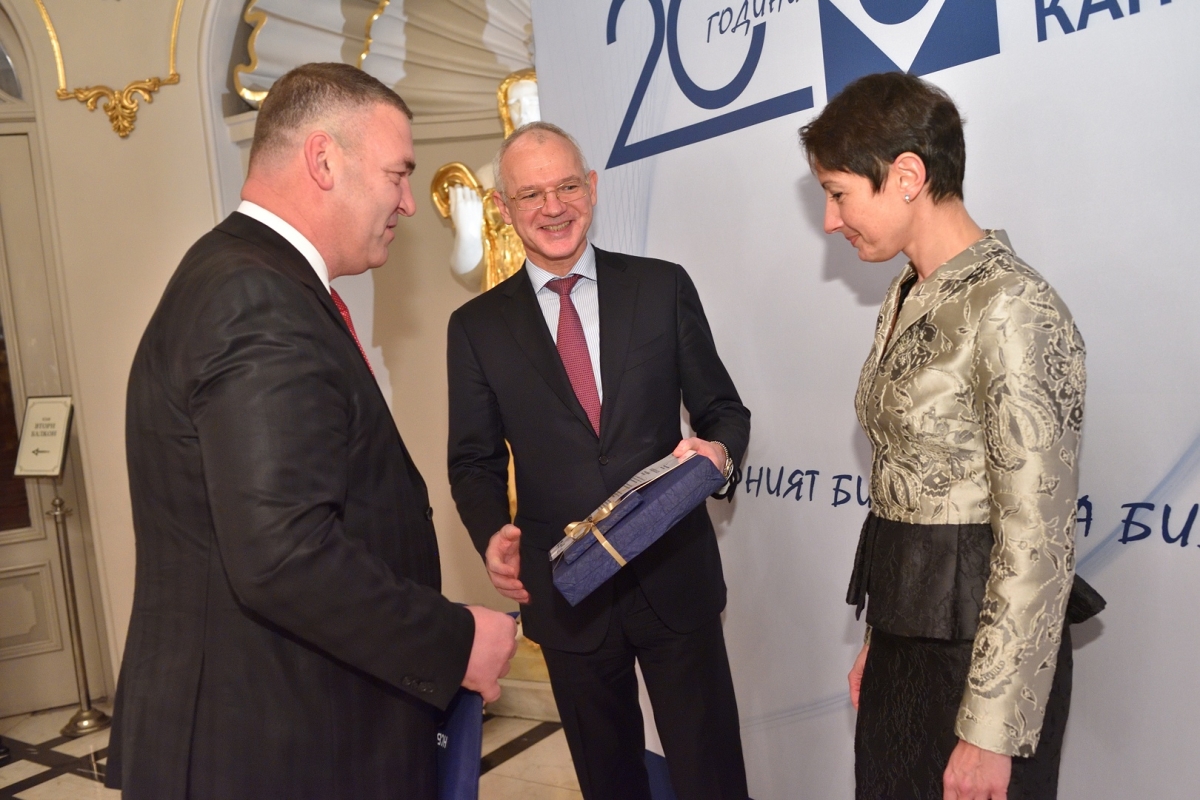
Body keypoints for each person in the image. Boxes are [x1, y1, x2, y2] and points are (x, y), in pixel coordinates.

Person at [105, 62, 517, 800]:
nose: (408, 202)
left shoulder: (245, 276)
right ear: (324, 160)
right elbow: (283, 555)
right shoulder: (254, 296)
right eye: (397, 174)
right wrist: (454, 641)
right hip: (274, 749)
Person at [800, 72, 1087, 800]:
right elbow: (909, 490)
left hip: (982, 669)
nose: (831, 221)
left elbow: (1037, 538)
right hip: (908, 639)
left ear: (906, 176)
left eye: (837, 194)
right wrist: (882, 639)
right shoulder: (906, 292)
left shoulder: (1014, 306)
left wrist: (991, 733)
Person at [446, 121, 751, 800]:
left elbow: (724, 410)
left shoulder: (661, 287)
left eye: (565, 187)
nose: (553, 207)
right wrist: (491, 530)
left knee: (712, 776)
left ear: (591, 187)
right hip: (567, 591)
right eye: (531, 195)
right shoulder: (475, 328)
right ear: (503, 207)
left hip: (675, 574)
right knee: (608, 782)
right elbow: (472, 460)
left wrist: (718, 452)